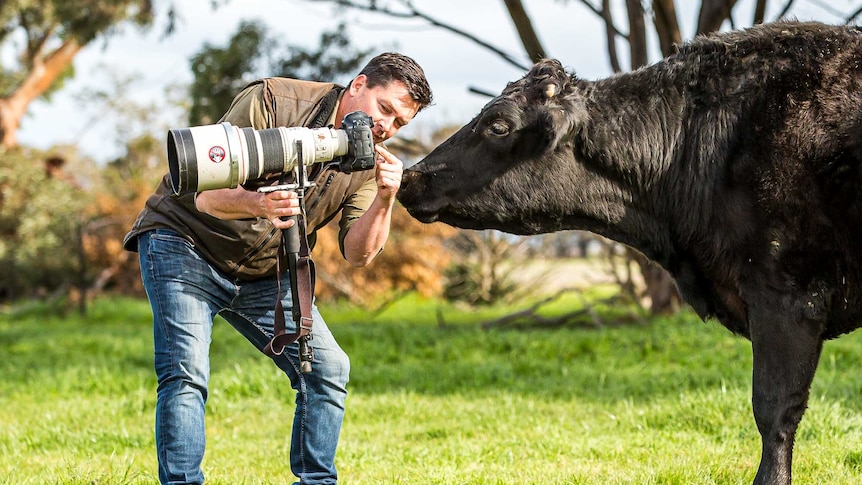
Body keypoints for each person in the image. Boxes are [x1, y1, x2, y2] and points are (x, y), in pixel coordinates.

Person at [123, 52, 433, 485]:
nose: (386, 127)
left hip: (266, 271)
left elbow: (358, 254)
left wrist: (385, 198)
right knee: (186, 372)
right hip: (185, 244)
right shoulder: (273, 99)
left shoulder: (368, 161)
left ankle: (316, 481)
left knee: (328, 370)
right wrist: (258, 203)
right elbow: (204, 195)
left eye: (400, 123)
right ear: (358, 84)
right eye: (384, 109)